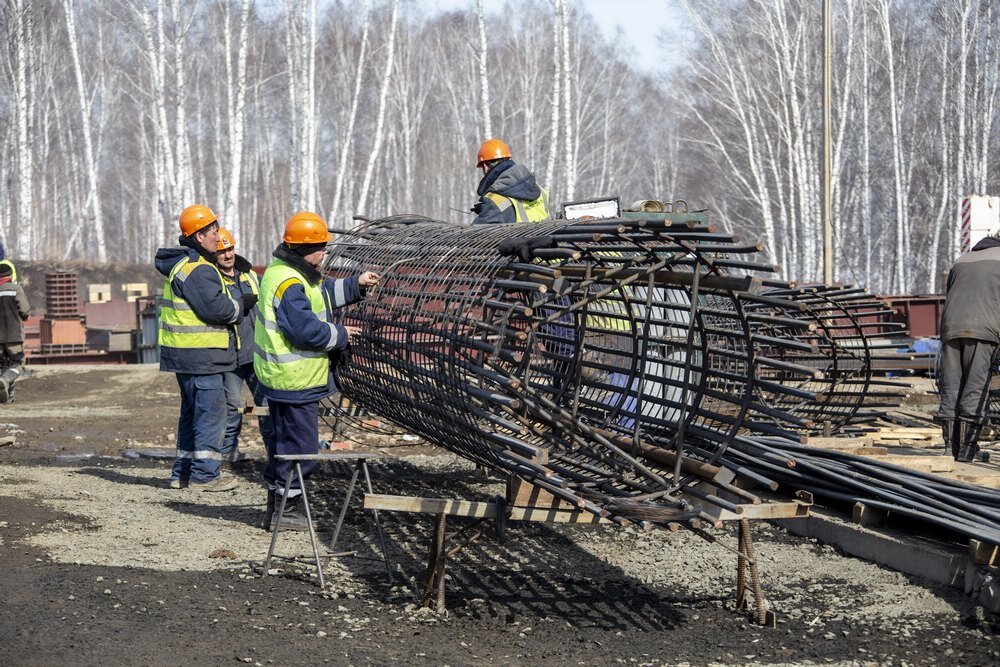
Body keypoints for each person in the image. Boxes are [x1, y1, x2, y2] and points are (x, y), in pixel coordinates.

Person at [254, 211, 379, 531]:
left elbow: (321, 295)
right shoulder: (290, 281)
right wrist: (341, 336)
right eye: (320, 248)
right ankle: (288, 511)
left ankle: (276, 508)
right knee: (300, 449)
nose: (325, 253)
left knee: (283, 446)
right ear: (301, 249)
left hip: (281, 379)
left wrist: (356, 284)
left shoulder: (289, 272)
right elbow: (305, 330)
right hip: (295, 381)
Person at [156, 204, 256, 491]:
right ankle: (205, 476)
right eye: (213, 231)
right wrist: (242, 303)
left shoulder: (186, 265)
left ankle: (183, 473)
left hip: (188, 355)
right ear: (199, 236)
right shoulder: (199, 270)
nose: (217, 236)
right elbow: (220, 310)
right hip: (202, 356)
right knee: (212, 415)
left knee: (192, 414)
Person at [935, 233, 1000, 463]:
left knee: (952, 384)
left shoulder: (962, 259)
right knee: (975, 385)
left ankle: (949, 448)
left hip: (950, 327)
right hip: (983, 329)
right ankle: (967, 450)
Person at [215, 227, 274, 464]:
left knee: (267, 406)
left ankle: (274, 452)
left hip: (256, 353)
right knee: (230, 409)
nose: (228, 255)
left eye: (230, 249)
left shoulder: (250, 276)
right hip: (229, 356)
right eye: (222, 252)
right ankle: (229, 452)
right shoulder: (212, 278)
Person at [471, 138, 550, 224]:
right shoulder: (539, 189)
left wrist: (488, 210)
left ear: (485, 167)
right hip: (548, 236)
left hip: (521, 238)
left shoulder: (494, 202)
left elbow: (473, 235)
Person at [0, 261, 31, 403]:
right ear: (10, 275)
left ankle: (8, 398)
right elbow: (25, 311)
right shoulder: (15, 289)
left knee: (4, 366)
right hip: (13, 335)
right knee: (17, 365)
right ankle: (5, 381)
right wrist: (24, 316)